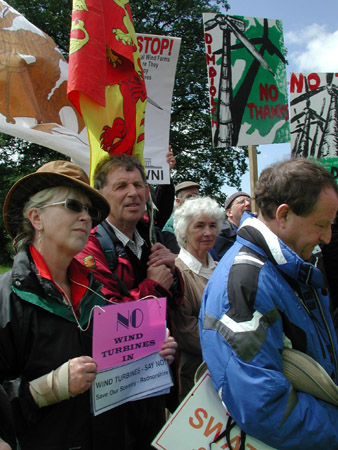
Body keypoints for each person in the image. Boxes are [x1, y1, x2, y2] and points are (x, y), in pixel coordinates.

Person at [0, 160, 177, 450]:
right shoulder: (8, 298)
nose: (86, 217)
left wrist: (148, 349)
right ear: (36, 218)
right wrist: (48, 389)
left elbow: (113, 368)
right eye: (73, 205)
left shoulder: (95, 292)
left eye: (88, 210)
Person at [199, 159, 338, 449]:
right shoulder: (245, 282)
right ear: (284, 215)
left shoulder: (283, 268)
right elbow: (265, 408)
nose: (326, 237)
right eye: (321, 224)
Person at [76, 154, 184, 449]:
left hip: (155, 381)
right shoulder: (89, 245)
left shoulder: (151, 237)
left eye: (138, 184)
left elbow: (175, 302)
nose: (133, 192)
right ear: (100, 195)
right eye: (121, 185)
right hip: (115, 392)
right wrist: (155, 286)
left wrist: (173, 272)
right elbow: (107, 317)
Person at [172, 197, 224, 401]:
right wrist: (234, 344)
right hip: (196, 377)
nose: (208, 233)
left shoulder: (221, 268)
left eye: (212, 225)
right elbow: (185, 330)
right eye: (199, 226)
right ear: (184, 231)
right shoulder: (177, 272)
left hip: (228, 373)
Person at [162, 180, 200, 253]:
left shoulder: (204, 220)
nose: (194, 199)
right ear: (178, 201)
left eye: (196, 195)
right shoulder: (170, 227)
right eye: (189, 196)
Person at [213, 191, 251, 260]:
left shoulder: (253, 230)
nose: (248, 204)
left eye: (249, 201)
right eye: (242, 202)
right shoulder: (221, 234)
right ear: (229, 212)